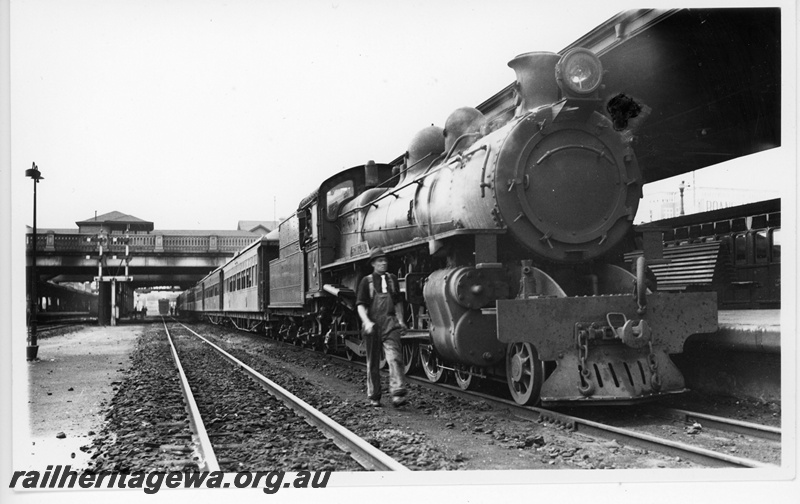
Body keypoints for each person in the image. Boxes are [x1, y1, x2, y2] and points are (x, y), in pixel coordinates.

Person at [356, 247, 408, 407]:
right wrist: (366, 321)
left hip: (390, 324)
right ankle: (374, 395)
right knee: (373, 362)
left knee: (395, 358)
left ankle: (397, 393)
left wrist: (400, 320)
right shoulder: (367, 281)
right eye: (380, 260)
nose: (383, 263)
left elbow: (398, 301)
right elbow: (360, 305)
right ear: (373, 263)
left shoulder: (392, 279)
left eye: (385, 260)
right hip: (373, 325)